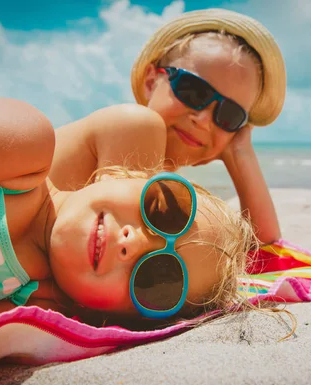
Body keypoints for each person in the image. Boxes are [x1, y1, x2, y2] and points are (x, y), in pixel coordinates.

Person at [0, 97, 257, 385]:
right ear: (127, 174)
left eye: (158, 279)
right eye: (162, 209)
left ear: (123, 316)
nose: (136, 241)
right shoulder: (21, 144)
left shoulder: (24, 305)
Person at [50, 9, 286, 244]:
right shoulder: (133, 125)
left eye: (229, 115)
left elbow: (264, 242)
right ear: (151, 82)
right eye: (193, 91)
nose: (203, 120)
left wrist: (239, 152)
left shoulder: (159, 181)